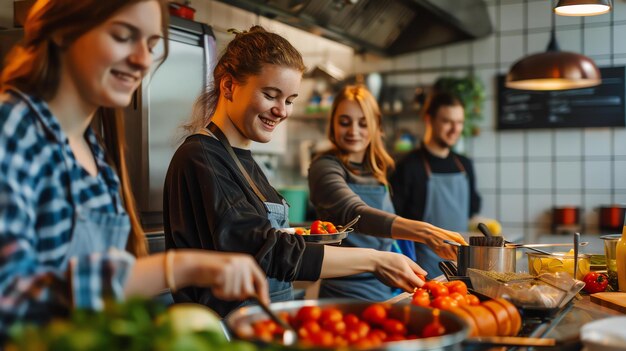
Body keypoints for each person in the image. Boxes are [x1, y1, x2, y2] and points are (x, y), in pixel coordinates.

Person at [0, 0, 270, 339]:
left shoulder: (92, 150)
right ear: (63, 32)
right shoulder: (12, 129)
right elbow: (10, 301)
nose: (143, 60)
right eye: (123, 36)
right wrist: (177, 267)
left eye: (152, 45)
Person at [163, 26, 427, 317]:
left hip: (265, 321)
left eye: (289, 100)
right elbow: (265, 252)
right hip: (227, 331)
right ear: (228, 87)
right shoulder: (202, 157)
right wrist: (374, 260)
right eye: (271, 95)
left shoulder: (241, 159)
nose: (282, 111)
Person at [307, 85, 467, 300]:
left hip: (387, 285)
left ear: (376, 125)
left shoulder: (378, 170)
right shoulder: (324, 167)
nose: (353, 131)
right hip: (344, 291)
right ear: (333, 124)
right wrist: (425, 232)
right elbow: (353, 212)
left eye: (363, 123)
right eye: (345, 122)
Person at [389, 91, 481, 276]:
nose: (455, 129)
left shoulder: (465, 165)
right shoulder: (407, 166)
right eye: (447, 121)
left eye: (459, 122)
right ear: (428, 119)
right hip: (420, 270)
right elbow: (392, 222)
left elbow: (471, 209)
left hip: (459, 268)